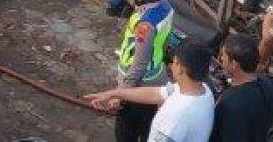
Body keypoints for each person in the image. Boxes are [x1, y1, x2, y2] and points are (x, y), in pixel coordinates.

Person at [86, 40, 215, 142]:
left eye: (174, 63)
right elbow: (156, 93)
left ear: (181, 69)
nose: (171, 66)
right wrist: (114, 93)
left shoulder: (176, 118)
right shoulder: (203, 90)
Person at [104, 0, 176, 142]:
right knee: (147, 127)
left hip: (139, 86)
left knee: (126, 134)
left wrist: (120, 94)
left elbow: (139, 64)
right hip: (156, 78)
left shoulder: (145, 25)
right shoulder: (166, 7)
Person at [211, 34, 273, 141]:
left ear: (234, 64)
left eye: (223, 55)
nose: (221, 59)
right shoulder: (267, 85)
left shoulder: (230, 102)